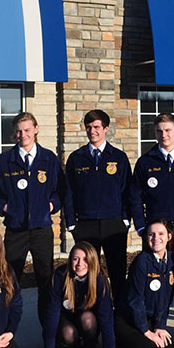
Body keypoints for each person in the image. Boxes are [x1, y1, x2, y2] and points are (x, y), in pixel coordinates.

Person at [0, 112, 64, 326]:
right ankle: (4, 327)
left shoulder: (49, 159)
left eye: (27, 130)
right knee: (9, 280)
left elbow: (60, 190)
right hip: (16, 230)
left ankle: (49, 330)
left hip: (42, 230)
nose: (23, 135)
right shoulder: (4, 160)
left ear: (36, 129)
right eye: (19, 131)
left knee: (45, 281)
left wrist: (52, 205)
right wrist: (5, 208)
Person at [64, 110, 132, 300]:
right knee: (87, 273)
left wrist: (126, 219)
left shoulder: (118, 157)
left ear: (106, 129)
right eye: (88, 127)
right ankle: (90, 313)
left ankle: (119, 315)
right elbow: (68, 192)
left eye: (96, 127)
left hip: (114, 223)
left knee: (117, 272)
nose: (92, 131)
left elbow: (127, 190)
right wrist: (71, 223)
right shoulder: (76, 158)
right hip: (85, 224)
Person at [43, 241, 121, 348]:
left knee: (88, 319)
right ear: (70, 260)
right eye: (75, 259)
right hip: (66, 318)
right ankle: (74, 347)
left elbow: (106, 318)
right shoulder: (60, 276)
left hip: (87, 320)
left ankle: (90, 347)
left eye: (85, 259)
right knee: (67, 334)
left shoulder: (99, 280)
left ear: (92, 261)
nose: (80, 264)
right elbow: (52, 312)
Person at [130, 113, 174, 254]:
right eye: (159, 131)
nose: (164, 135)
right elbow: (135, 197)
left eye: (168, 130)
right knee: (155, 273)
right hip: (156, 230)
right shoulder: (145, 162)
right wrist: (140, 226)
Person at [114, 219, 174, 348]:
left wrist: (160, 326)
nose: (156, 238)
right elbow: (136, 301)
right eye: (151, 234)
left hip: (149, 319)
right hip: (128, 320)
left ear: (169, 236)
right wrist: (147, 332)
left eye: (161, 234)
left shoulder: (172, 260)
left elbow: (167, 297)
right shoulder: (142, 261)